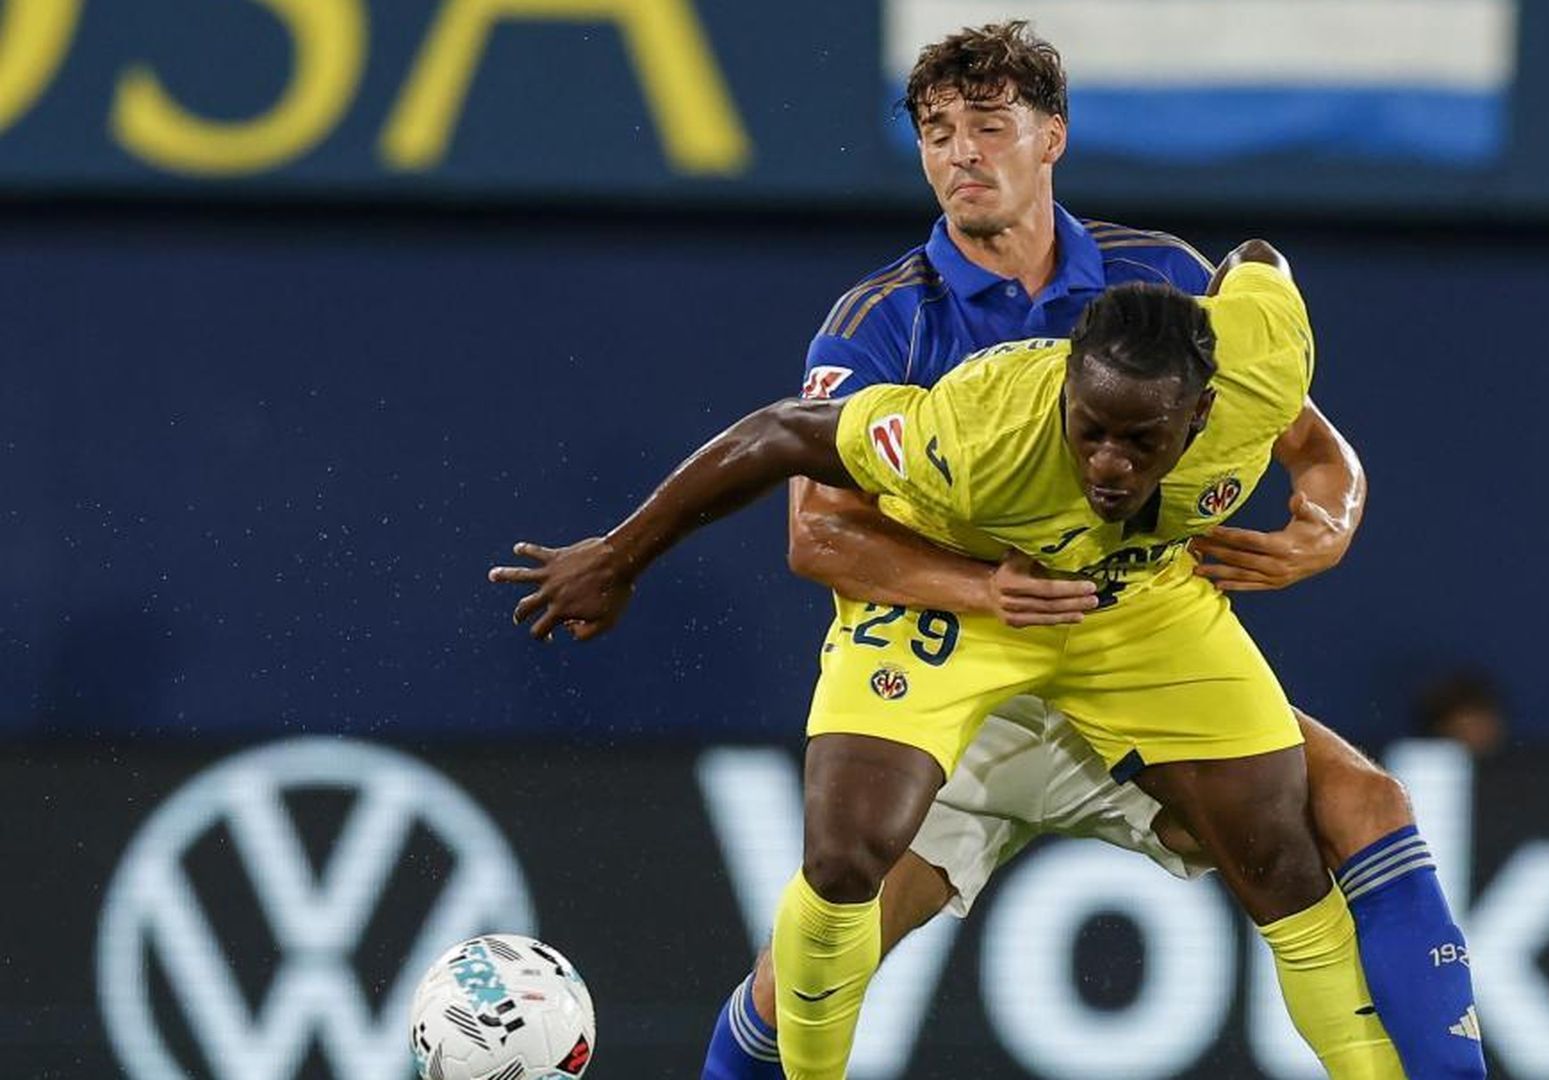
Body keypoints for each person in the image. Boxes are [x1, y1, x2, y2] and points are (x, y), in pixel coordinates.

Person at [697, 22, 1478, 1080]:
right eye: (937, 133)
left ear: (1052, 135)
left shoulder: (1159, 280)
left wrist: (1325, 525)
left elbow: (1304, 438)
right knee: (799, 975)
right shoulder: (881, 322)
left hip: (1126, 658)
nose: (961, 154)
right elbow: (819, 533)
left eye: (988, 126)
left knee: (1365, 807)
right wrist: (989, 589)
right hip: (958, 679)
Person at [493, 245, 1403, 1078]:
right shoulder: (973, 432)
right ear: (1065, 393)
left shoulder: (1256, 373)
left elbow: (1258, 264)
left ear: (1202, 414)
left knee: (1285, 861)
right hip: (964, 617)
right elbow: (780, 439)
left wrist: (1330, 519)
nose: (1110, 465)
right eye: (1091, 430)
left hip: (1133, 620)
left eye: (1141, 442)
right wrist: (620, 556)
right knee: (843, 859)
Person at [1414, 669, 1508, 756]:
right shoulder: (1423, 763)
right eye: (1465, 728)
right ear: (1441, 728)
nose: (1478, 734)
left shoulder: (1514, 761)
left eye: (1482, 724)